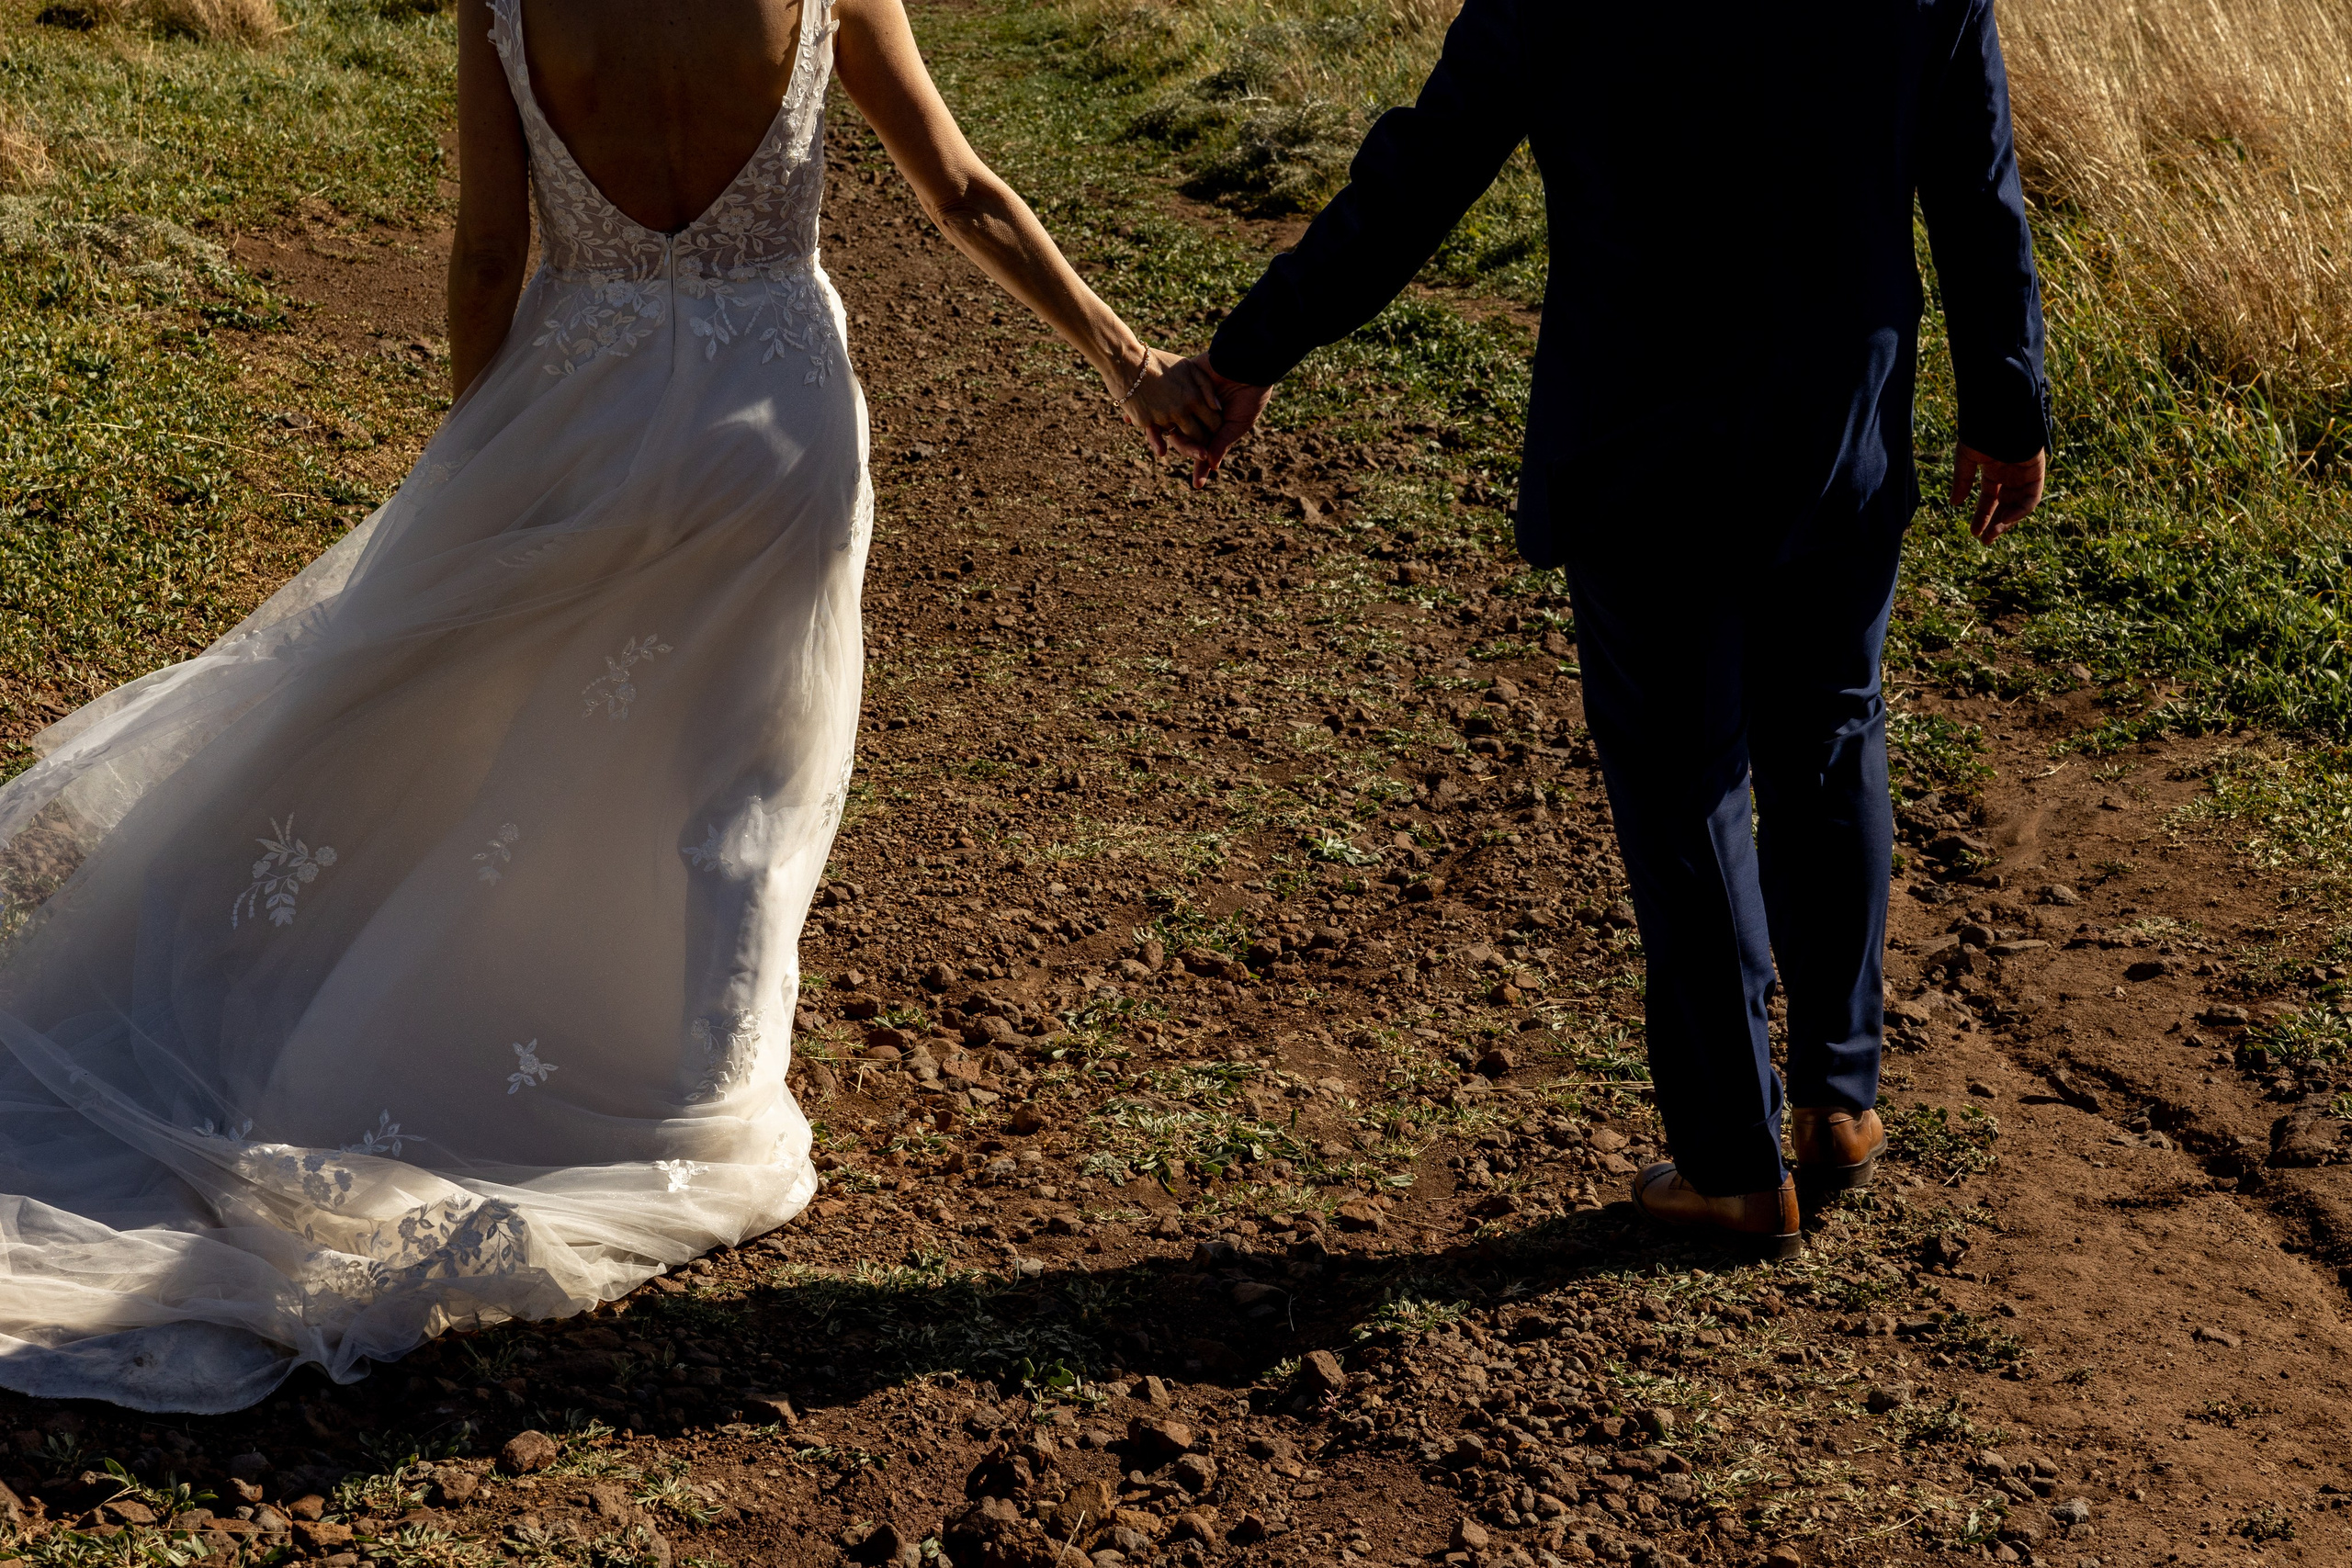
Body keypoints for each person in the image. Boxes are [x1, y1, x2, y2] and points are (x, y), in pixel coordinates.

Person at [0, 0, 1216, 1412]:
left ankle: (514, 1023)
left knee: (544, 731)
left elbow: (484, 257)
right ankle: (690, 1076)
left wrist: (482, 475)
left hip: (585, 413)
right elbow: (959, 187)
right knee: (745, 770)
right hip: (776, 422)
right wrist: (1127, 360)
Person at [1182, 0, 2052, 1258]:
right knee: (1832, 728)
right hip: (1836, 424)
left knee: (1684, 774)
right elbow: (1975, 185)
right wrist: (2007, 401)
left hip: (1642, 428)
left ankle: (1734, 1165)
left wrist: (1255, 348)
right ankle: (1839, 1103)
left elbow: (1424, 172)